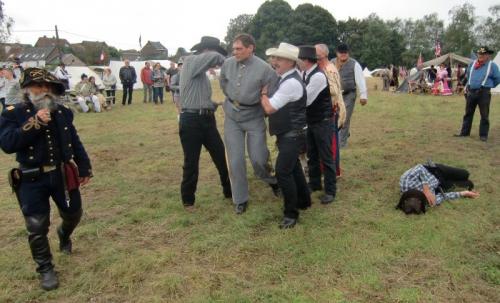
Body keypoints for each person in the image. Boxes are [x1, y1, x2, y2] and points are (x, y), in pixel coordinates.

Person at [0, 67, 92, 290]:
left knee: (73, 214)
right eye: (38, 86)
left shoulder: (62, 112)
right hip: (31, 179)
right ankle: (45, 268)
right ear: (26, 89)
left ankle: (63, 234)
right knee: (37, 225)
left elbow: (74, 140)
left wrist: (84, 167)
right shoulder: (13, 113)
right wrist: (36, 122)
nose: (44, 91)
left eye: (48, 87)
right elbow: (8, 144)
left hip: (61, 174)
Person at [219, 33, 280, 214]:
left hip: (254, 116)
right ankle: (240, 199)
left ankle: (272, 181)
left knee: (258, 158)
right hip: (232, 116)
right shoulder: (228, 64)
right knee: (235, 160)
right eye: (234, 48)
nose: (234, 52)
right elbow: (223, 82)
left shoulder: (265, 69)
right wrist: (232, 98)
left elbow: (272, 94)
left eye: (239, 48)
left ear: (250, 48)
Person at [261, 42, 311, 229]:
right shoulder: (288, 78)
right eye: (274, 58)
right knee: (294, 167)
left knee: (282, 172)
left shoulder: (290, 82)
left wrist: (263, 94)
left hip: (292, 134)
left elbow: (269, 107)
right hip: (292, 134)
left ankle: (291, 214)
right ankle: (304, 201)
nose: (274, 61)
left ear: (291, 62)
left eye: (279, 58)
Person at [178, 36, 231, 209]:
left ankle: (229, 191)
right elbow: (215, 58)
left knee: (221, 155)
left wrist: (214, 104)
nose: (215, 66)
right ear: (207, 50)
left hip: (206, 119)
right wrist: (233, 61)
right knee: (191, 162)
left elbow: (199, 99)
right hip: (191, 121)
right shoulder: (191, 61)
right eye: (216, 52)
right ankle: (188, 200)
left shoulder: (200, 73)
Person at [299, 45, 336, 204]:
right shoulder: (304, 73)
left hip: (322, 121)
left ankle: (330, 190)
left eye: (298, 59)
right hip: (311, 121)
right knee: (312, 155)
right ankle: (315, 184)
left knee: (326, 157)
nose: (297, 62)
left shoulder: (318, 76)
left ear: (306, 60)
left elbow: (305, 100)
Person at [397, 162, 479, 215]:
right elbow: (444, 196)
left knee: (465, 174)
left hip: (436, 171)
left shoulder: (405, 181)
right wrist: (463, 193)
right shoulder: (426, 202)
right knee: (469, 185)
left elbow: (419, 168)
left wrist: (426, 189)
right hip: (440, 185)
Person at [455, 46, 500, 142]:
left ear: (488, 55)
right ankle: (464, 133)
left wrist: (488, 86)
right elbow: (468, 76)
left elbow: (497, 79)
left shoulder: (492, 66)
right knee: (468, 113)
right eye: (479, 54)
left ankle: (483, 135)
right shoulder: (472, 64)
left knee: (484, 115)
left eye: (483, 54)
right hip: (471, 92)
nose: (480, 56)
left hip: (484, 92)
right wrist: (467, 86)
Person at [315, 44, 345, 178]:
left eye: (316, 53)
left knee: (331, 143)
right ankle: (329, 171)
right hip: (328, 109)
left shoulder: (328, 69)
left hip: (331, 110)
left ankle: (332, 172)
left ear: (323, 55)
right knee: (329, 142)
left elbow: (333, 91)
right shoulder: (324, 68)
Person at [332, 43, 368, 148]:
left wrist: (363, 96)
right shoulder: (331, 63)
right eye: (341, 53)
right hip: (335, 95)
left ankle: (342, 144)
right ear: (337, 53)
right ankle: (344, 134)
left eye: (345, 52)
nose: (343, 54)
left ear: (348, 53)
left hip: (349, 94)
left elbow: (360, 80)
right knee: (335, 117)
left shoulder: (354, 64)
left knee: (345, 117)